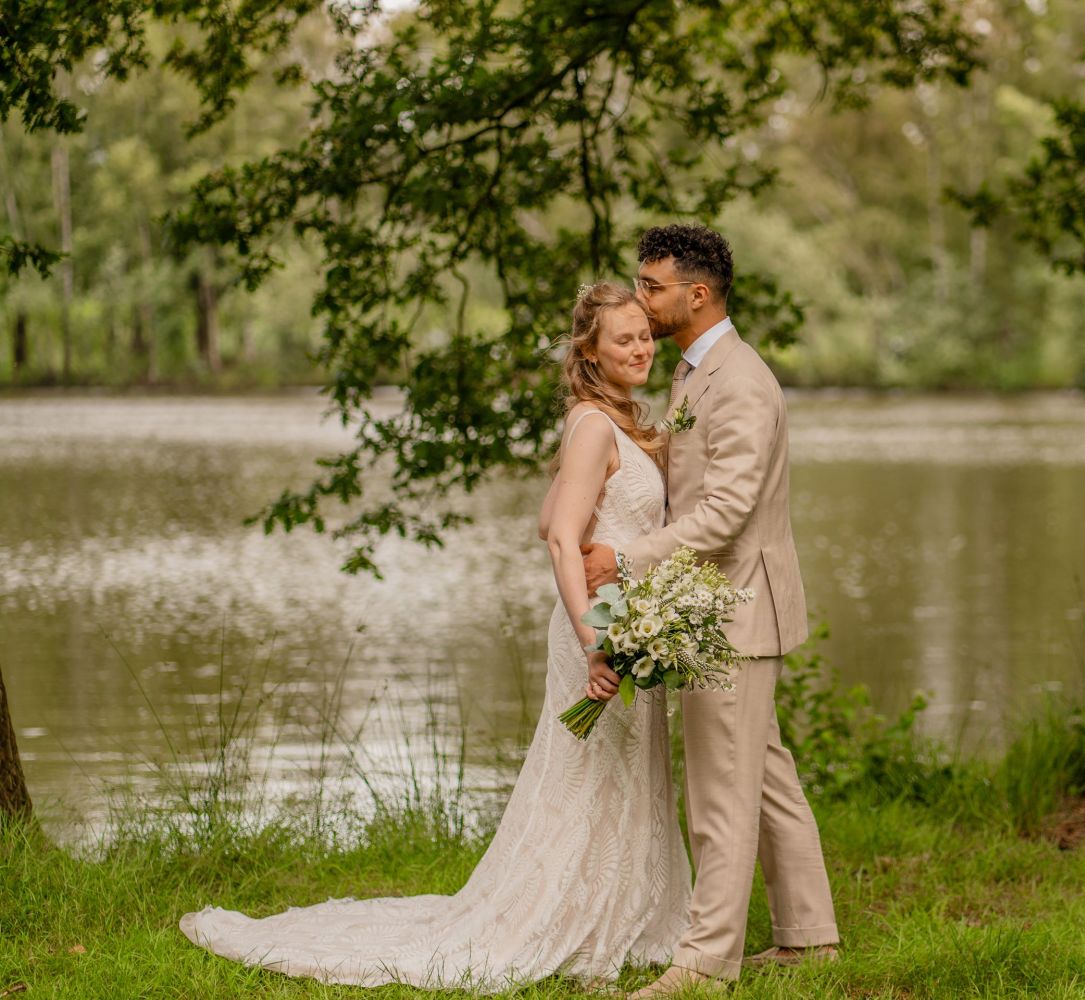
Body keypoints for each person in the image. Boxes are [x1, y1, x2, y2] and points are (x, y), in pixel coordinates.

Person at [179, 283, 692, 991]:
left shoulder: (617, 422)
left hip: (625, 621)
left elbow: (550, 519)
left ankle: (626, 912)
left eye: (645, 336)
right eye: (623, 339)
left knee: (621, 773)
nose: (639, 348)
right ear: (590, 352)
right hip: (596, 630)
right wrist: (593, 639)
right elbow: (560, 546)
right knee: (586, 777)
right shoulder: (594, 426)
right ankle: (569, 920)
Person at [583, 224, 839, 998]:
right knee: (761, 775)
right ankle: (808, 940)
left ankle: (703, 965)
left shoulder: (740, 381)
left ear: (697, 295)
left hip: (736, 610)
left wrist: (628, 560)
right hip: (720, 605)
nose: (640, 298)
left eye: (651, 286)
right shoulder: (699, 373)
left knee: (720, 794)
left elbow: (726, 512)